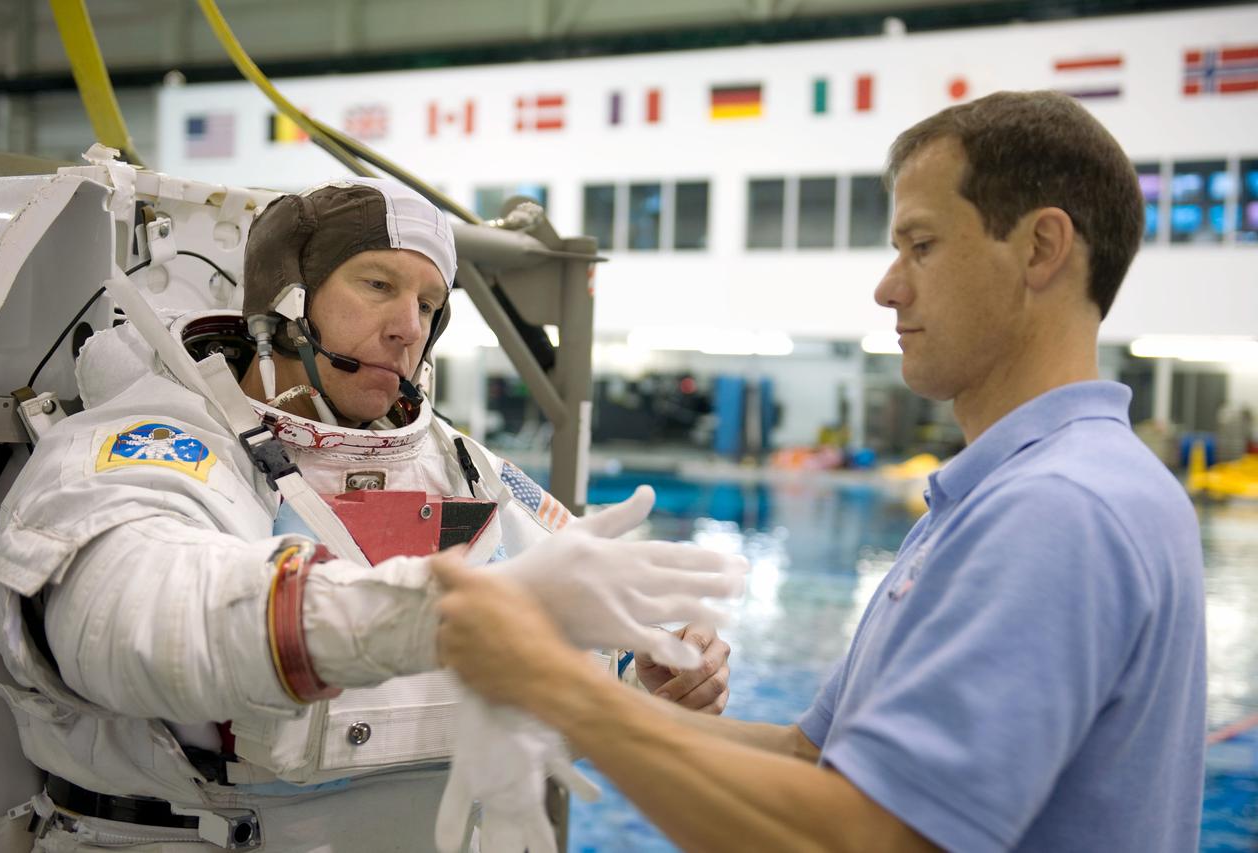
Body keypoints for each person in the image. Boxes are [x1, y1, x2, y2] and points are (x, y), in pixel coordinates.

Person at [433, 90, 1207, 853]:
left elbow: (867, 839)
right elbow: (812, 762)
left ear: (1040, 248)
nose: (888, 285)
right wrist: (599, 696)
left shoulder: (1056, 509)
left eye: (922, 244)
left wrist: (553, 683)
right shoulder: (1021, 491)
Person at [0, 177, 739, 851]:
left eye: (429, 304)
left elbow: (581, 622)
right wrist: (415, 617)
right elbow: (136, 613)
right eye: (378, 284)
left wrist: (652, 670)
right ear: (284, 297)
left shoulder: (463, 465)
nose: (409, 325)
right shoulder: (149, 445)